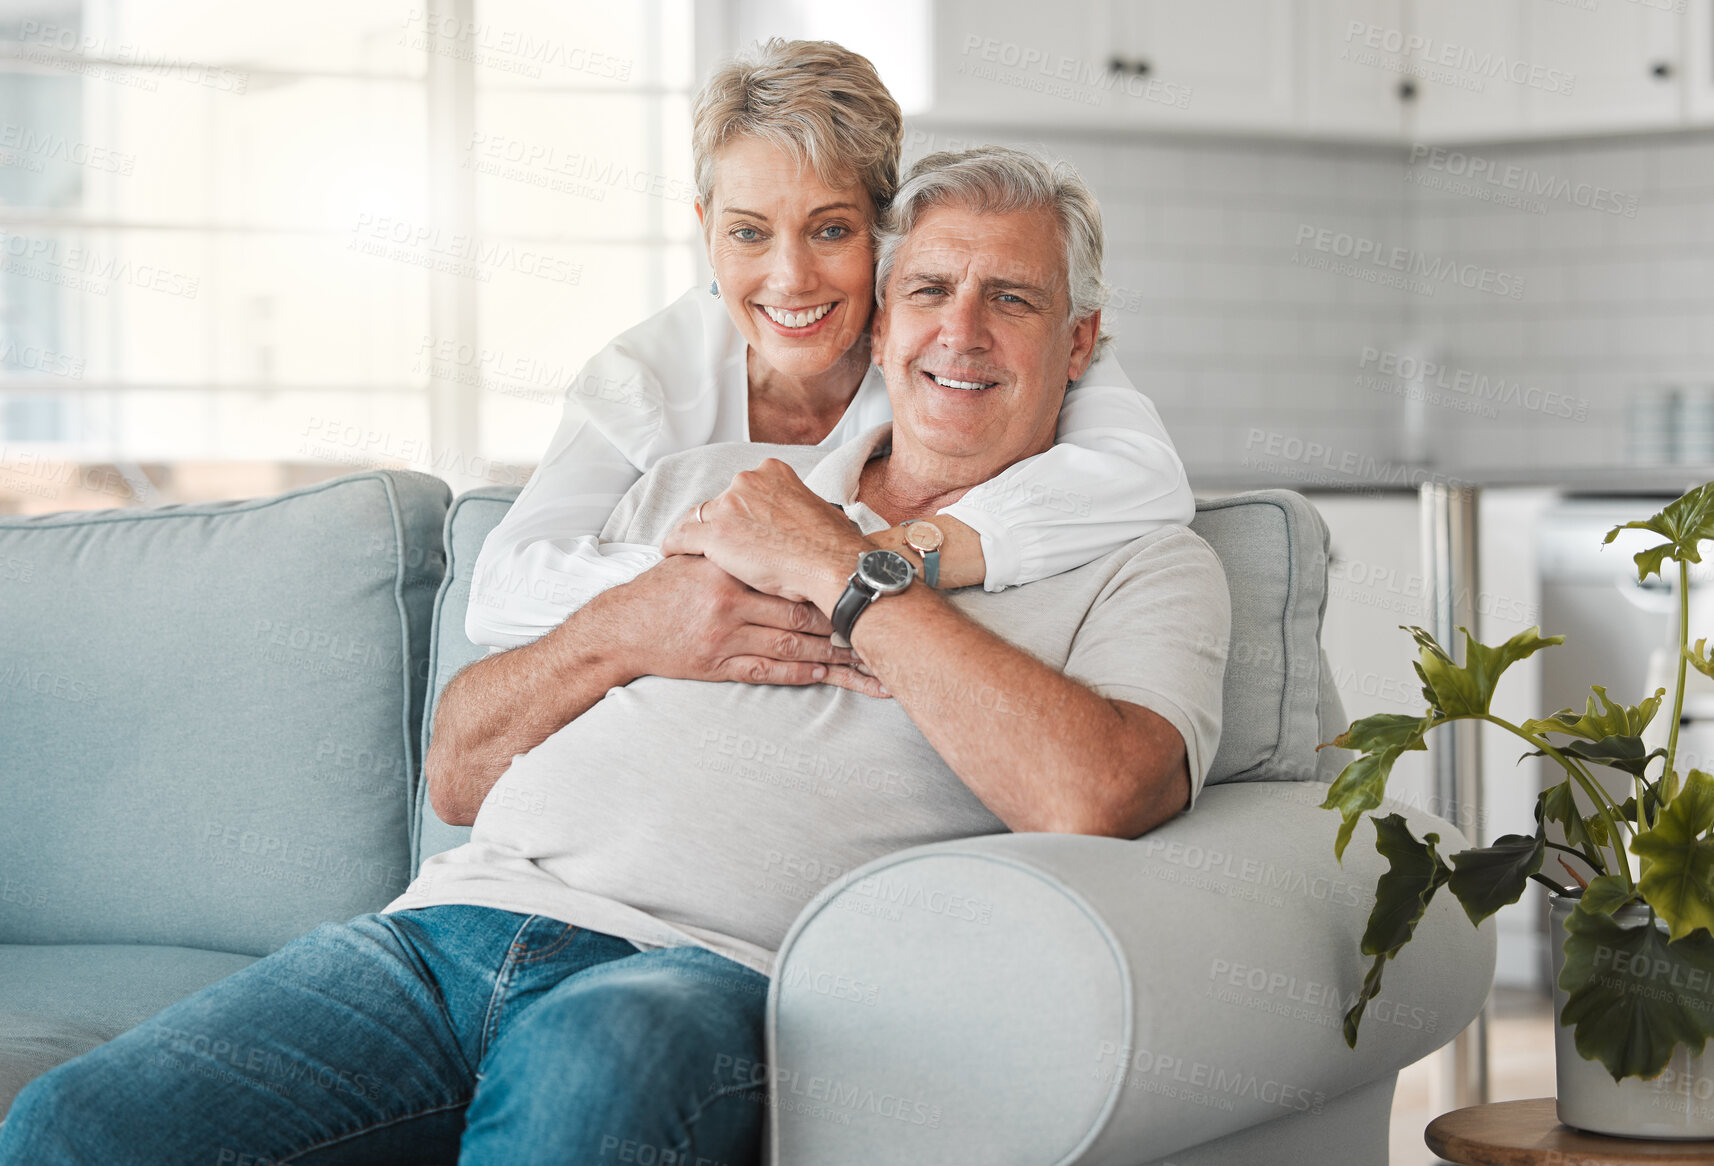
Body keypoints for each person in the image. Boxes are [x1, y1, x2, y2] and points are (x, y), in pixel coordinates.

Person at [0, 145, 1229, 1166]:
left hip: (706, 971)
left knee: (593, 1080)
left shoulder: (1138, 559)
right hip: (442, 933)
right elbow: (459, 766)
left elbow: (1099, 791)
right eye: (929, 290)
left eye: (1011, 298)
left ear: (1080, 342)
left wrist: (843, 573)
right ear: (885, 317)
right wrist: (623, 626)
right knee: (71, 1124)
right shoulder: (706, 484)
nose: (960, 331)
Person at [466, 38, 1194, 685]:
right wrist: (738, 571)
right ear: (705, 231)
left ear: (887, 231)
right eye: (748, 233)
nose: (790, 278)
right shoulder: (643, 378)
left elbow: (1144, 477)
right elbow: (502, 590)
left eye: (831, 229)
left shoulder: (948, 345)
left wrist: (868, 558)